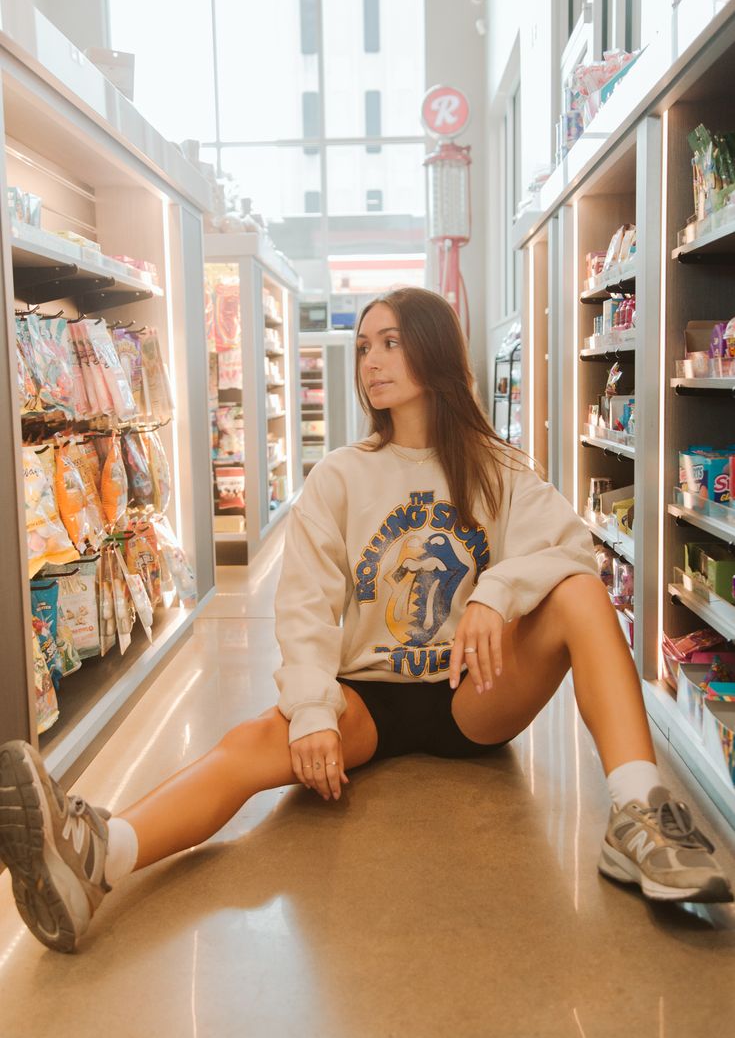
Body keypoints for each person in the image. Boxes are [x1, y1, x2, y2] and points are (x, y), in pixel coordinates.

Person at [0, 288, 731, 954]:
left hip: (472, 693)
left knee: (578, 593)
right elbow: (306, 603)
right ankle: (97, 854)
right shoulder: (341, 475)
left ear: (434, 349)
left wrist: (495, 591)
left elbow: (571, 548)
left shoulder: (495, 467)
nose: (372, 361)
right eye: (365, 347)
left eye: (390, 342)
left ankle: (638, 811)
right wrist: (314, 709)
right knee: (254, 740)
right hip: (366, 700)